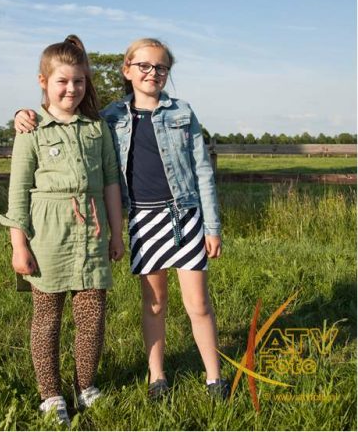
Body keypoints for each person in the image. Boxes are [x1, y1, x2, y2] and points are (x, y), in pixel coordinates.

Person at [15, 38, 230, 401]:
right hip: (144, 220)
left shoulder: (182, 112)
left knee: (198, 303)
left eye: (161, 67)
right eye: (144, 66)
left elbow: (203, 171)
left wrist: (212, 226)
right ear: (127, 70)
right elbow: (65, 114)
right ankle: (157, 377)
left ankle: (214, 377)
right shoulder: (110, 118)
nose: (152, 73)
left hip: (185, 216)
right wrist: (23, 114)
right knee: (154, 303)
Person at [0, 35, 124, 425]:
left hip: (92, 232)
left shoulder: (96, 128)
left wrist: (117, 234)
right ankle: (50, 394)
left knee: (92, 316)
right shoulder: (31, 129)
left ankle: (86, 386)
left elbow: (111, 182)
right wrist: (19, 245)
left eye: (79, 81)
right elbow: (18, 191)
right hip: (48, 235)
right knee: (47, 319)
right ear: (43, 81)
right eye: (62, 81)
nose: (71, 89)